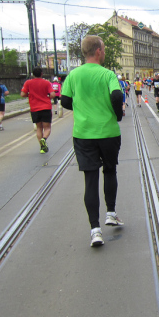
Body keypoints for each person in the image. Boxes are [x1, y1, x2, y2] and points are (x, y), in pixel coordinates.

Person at [61, 35, 124, 247]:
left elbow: (65, 100)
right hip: (108, 132)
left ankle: (95, 230)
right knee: (110, 170)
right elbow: (117, 96)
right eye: (103, 50)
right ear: (98, 51)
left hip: (83, 133)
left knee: (90, 179)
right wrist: (117, 115)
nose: (104, 53)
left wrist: (82, 108)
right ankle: (111, 213)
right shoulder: (108, 74)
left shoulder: (73, 75)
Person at [21, 68, 55, 153]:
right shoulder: (46, 83)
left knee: (39, 127)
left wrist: (30, 95)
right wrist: (48, 97)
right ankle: (44, 139)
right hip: (46, 107)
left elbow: (23, 94)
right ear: (42, 74)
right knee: (47, 128)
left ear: (33, 74)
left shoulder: (28, 83)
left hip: (34, 108)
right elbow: (53, 94)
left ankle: (42, 147)